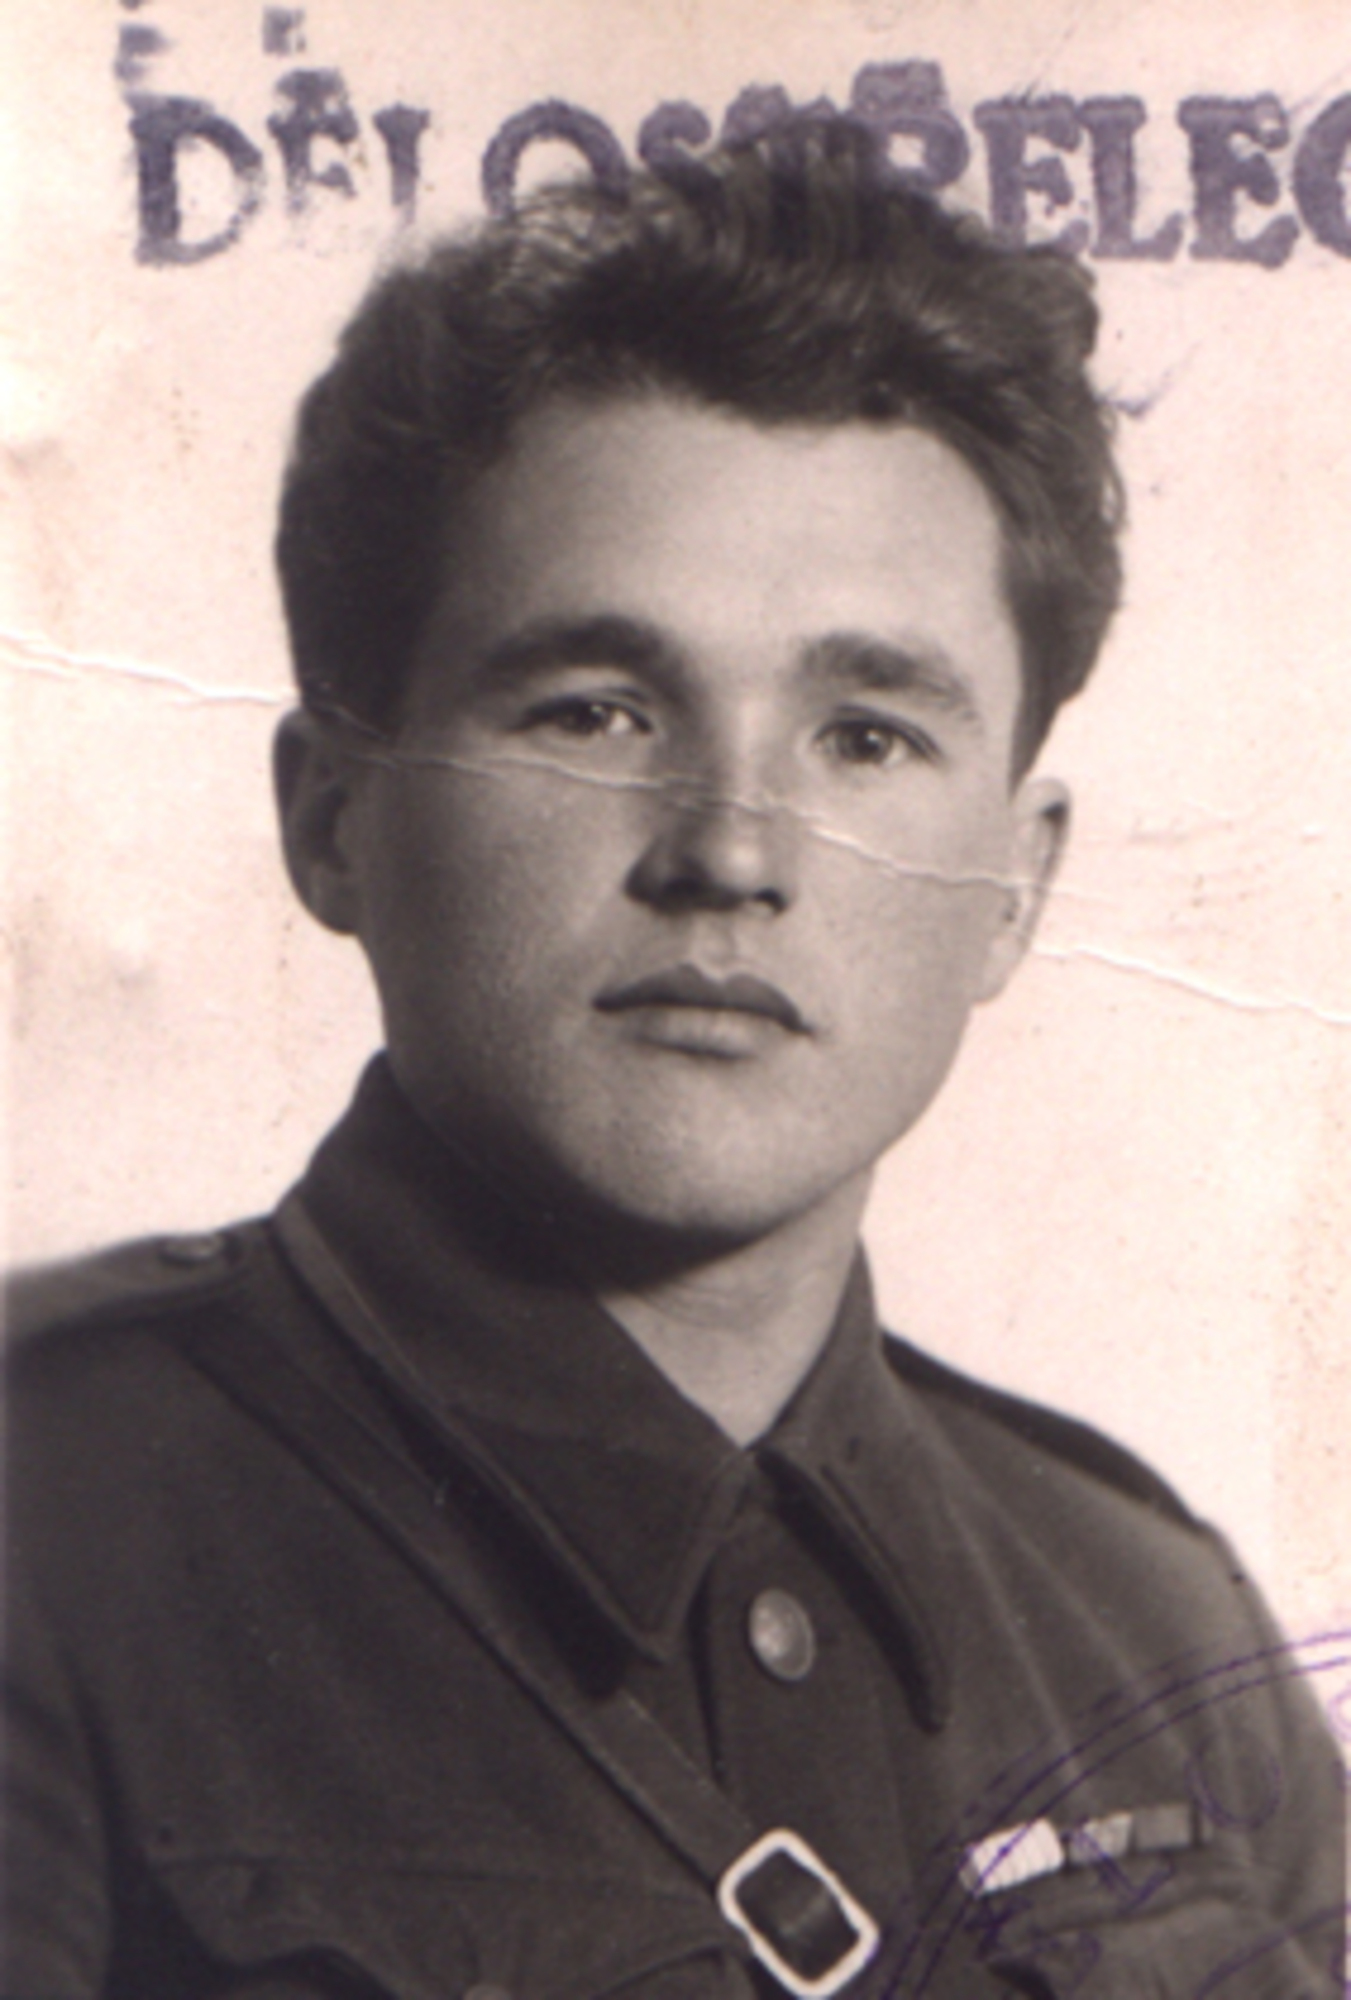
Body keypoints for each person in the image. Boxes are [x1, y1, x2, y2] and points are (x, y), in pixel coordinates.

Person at [4, 112, 1344, 2000]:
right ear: (330, 816)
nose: (731, 851)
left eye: (866, 737)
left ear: (1015, 886)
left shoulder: (1149, 1627)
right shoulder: (46, 1522)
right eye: (596, 709)